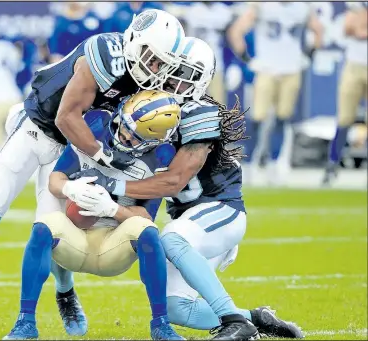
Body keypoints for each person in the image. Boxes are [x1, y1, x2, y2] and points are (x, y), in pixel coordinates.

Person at [0, 9, 186, 327]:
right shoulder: (106, 54)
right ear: (135, 41)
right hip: (36, 127)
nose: (155, 68)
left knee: (53, 230)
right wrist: (101, 155)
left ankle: (65, 294)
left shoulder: (146, 82)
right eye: (152, 57)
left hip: (69, 147)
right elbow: (66, 116)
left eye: (162, 63)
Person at [68, 37, 304, 340]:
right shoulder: (147, 100)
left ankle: (234, 321)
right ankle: (256, 318)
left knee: (171, 239)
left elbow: (174, 181)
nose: (173, 79)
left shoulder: (199, 112)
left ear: (201, 80)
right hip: (187, 219)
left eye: (186, 74)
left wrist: (112, 186)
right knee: (177, 309)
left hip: (219, 210)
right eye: (172, 69)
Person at [4, 90, 183, 340]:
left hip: (113, 243)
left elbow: (145, 216)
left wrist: (113, 209)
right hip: (75, 236)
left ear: (153, 142)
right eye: (124, 127)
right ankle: (25, 323)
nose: (123, 136)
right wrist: (70, 188)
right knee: (43, 227)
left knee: (149, 233)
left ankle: (161, 325)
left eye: (133, 138)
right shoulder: (97, 124)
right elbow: (56, 178)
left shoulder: (161, 156)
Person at [227, 2, 323, 185]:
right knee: (257, 118)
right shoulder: (263, 6)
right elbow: (236, 31)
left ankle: (273, 165)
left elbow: (318, 31)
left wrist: (309, 55)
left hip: (291, 69)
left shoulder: (301, 7)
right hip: (267, 69)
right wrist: (248, 59)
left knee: (282, 118)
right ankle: (248, 165)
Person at [322, 2, 367, 186]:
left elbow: (360, 29)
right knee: (344, 118)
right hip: (354, 65)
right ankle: (332, 165)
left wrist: (362, 20)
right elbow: (350, 28)